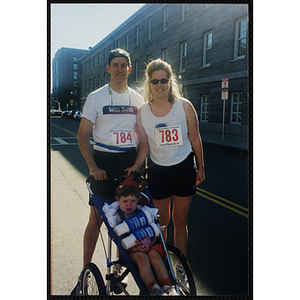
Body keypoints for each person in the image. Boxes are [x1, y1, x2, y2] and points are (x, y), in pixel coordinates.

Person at [76, 48, 144, 294]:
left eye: (123, 65)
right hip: (103, 163)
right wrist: (93, 167)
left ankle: (116, 273)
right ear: (108, 68)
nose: (119, 69)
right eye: (115, 65)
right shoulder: (96, 97)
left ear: (129, 68)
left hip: (128, 162)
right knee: (95, 220)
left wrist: (137, 164)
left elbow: (142, 136)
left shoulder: (137, 99)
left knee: (124, 218)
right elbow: (83, 135)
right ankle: (84, 273)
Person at [126, 58, 205, 259]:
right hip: (158, 171)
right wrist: (137, 165)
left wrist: (201, 168)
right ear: (149, 84)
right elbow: (144, 144)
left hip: (183, 168)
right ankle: (163, 264)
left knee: (180, 221)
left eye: (163, 80)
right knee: (161, 223)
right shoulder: (143, 111)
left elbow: (195, 139)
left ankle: (180, 265)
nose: (159, 85)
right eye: (155, 81)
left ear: (170, 81)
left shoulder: (184, 106)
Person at [115, 179, 178, 296]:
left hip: (149, 246)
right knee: (142, 257)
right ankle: (153, 288)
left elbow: (152, 233)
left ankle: (168, 286)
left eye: (133, 201)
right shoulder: (118, 217)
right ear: (118, 200)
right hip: (132, 252)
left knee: (154, 254)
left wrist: (151, 242)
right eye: (125, 201)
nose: (129, 204)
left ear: (138, 200)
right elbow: (121, 244)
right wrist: (136, 249)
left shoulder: (143, 214)